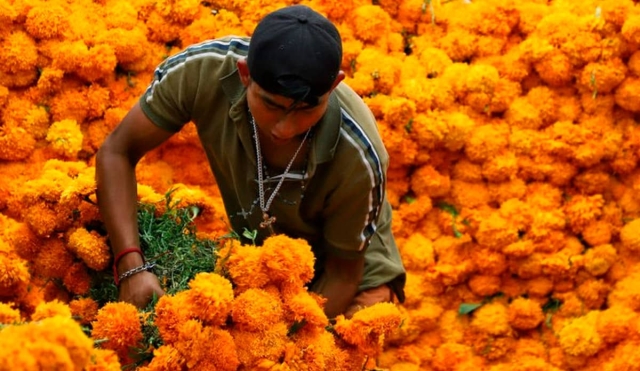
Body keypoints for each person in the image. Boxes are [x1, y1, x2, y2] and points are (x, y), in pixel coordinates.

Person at [96, 4, 406, 319]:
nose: (284, 128)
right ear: (245, 75)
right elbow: (116, 152)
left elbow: (344, 275)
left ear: (335, 85)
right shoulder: (202, 72)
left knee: (363, 323)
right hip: (257, 248)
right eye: (271, 105)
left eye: (305, 111)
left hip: (348, 261)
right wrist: (131, 265)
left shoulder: (360, 155)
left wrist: (282, 347)